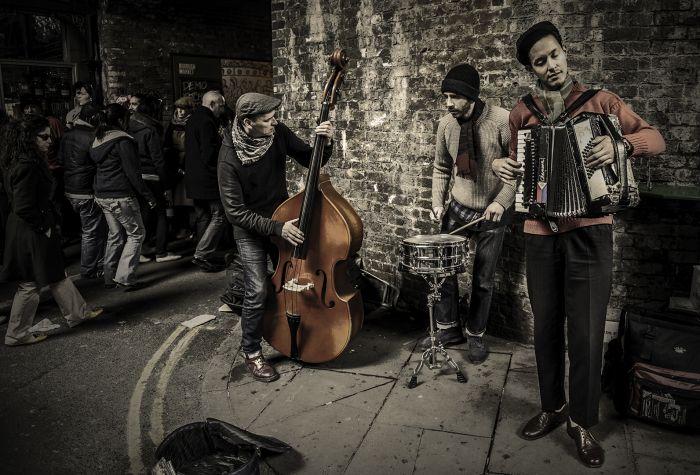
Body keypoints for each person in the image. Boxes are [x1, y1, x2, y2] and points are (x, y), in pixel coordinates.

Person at [494, 22, 666, 468]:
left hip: (590, 232)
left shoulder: (601, 102)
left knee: (587, 332)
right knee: (546, 327)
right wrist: (501, 168)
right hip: (540, 233)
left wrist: (621, 145)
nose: (551, 66)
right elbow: (516, 168)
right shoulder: (522, 112)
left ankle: (583, 421)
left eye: (554, 55)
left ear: (565, 52)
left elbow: (656, 139)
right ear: (531, 68)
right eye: (540, 61)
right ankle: (553, 407)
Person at [218, 92, 334, 382]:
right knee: (257, 289)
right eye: (268, 119)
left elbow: (312, 160)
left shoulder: (277, 133)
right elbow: (235, 213)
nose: (275, 122)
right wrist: (277, 228)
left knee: (294, 280)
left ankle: (292, 332)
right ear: (248, 123)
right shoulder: (229, 159)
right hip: (250, 229)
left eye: (274, 118)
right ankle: (251, 352)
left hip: (282, 219)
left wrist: (326, 141)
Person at [428, 64, 515, 364]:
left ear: (472, 96)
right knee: (444, 271)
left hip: (492, 214)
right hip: (457, 208)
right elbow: (441, 167)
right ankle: (449, 328)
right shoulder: (446, 125)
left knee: (483, 280)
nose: (448, 103)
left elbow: (518, 170)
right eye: (445, 97)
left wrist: (501, 202)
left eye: (455, 97)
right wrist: (437, 202)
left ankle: (475, 334)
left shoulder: (502, 121)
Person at [0, 115, 103, 346]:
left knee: (56, 272)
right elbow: (24, 207)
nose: (50, 141)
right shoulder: (27, 166)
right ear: (28, 138)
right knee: (30, 282)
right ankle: (16, 333)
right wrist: (43, 227)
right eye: (44, 137)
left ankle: (78, 313)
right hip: (31, 230)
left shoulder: (19, 160)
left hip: (30, 227)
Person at [90, 104, 157, 290]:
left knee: (115, 235)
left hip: (102, 194)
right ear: (120, 120)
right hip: (120, 195)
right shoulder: (122, 140)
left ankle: (109, 276)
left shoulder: (98, 139)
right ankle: (125, 277)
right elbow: (133, 173)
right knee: (136, 234)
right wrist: (148, 195)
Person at [128, 94, 181, 263]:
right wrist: (166, 185)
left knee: (144, 214)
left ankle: (142, 250)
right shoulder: (150, 130)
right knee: (161, 214)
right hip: (152, 176)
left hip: (137, 176)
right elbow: (158, 160)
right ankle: (161, 252)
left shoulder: (130, 128)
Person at [57, 103, 106, 279]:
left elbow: (61, 160)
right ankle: (88, 269)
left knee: (91, 229)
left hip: (70, 188)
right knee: (91, 230)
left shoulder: (67, 135)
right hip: (85, 189)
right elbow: (99, 162)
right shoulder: (92, 137)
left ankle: (96, 264)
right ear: (93, 118)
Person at [185, 91, 228, 272]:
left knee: (203, 216)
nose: (222, 110)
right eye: (221, 106)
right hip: (207, 179)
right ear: (212, 104)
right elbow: (209, 154)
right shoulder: (207, 122)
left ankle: (203, 254)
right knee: (220, 215)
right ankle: (202, 254)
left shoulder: (192, 119)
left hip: (193, 178)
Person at [163, 96, 195, 240]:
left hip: (188, 165)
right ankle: (181, 227)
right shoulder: (172, 124)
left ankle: (190, 228)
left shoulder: (192, 123)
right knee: (177, 201)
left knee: (189, 200)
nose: (180, 112)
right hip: (175, 166)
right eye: (178, 109)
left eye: (183, 109)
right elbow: (167, 145)